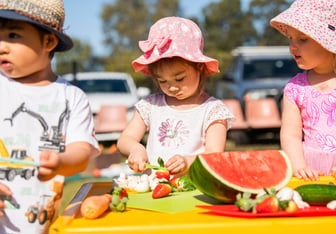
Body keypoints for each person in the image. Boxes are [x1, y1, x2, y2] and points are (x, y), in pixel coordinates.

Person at [0, 0, 100, 233]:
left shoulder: (72, 98)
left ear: (48, 41)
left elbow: (81, 152)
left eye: (13, 35)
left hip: (39, 223)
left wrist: (61, 162)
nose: (2, 46)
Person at [117, 17, 235, 176]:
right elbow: (126, 138)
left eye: (180, 79)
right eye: (162, 81)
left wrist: (188, 162)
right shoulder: (151, 105)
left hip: (194, 188)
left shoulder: (213, 110)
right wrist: (136, 148)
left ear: (199, 67)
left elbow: (214, 154)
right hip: (155, 187)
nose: (172, 87)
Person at [270, 0, 336, 181]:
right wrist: (300, 167)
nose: (293, 46)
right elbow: (290, 135)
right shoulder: (295, 88)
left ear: (329, 41)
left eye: (303, 39)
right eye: (290, 38)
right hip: (309, 174)